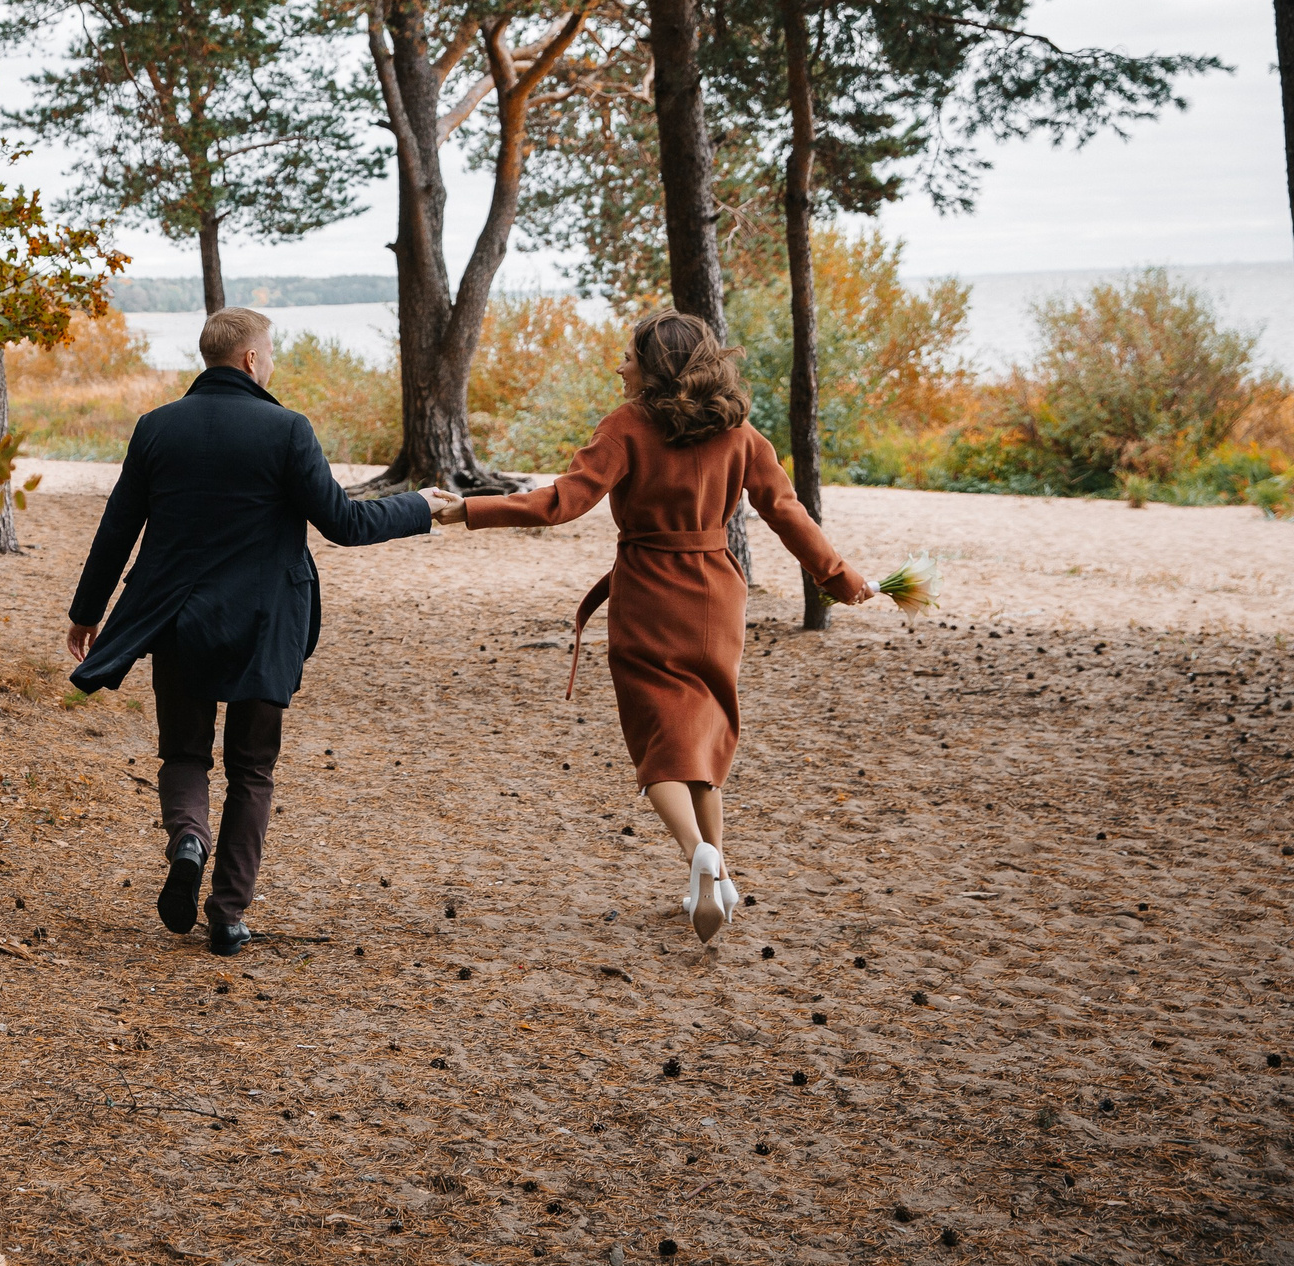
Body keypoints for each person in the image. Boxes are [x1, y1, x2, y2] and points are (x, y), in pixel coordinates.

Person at [431, 309, 873, 942]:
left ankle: (698, 852)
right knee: (705, 730)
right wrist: (840, 576)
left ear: (657, 367)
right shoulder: (740, 432)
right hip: (718, 593)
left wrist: (466, 511)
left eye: (630, 356)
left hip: (649, 592)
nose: (621, 365)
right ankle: (717, 876)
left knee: (659, 739)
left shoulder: (627, 427)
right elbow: (785, 510)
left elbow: (560, 504)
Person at [65, 307, 450, 955]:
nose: (271, 362)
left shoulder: (157, 427)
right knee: (252, 769)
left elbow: (118, 526)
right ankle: (227, 912)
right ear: (249, 358)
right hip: (265, 625)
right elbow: (343, 524)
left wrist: (87, 609)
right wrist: (421, 507)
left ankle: (189, 838)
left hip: (179, 621)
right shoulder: (286, 429)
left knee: (185, 754)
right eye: (268, 351)